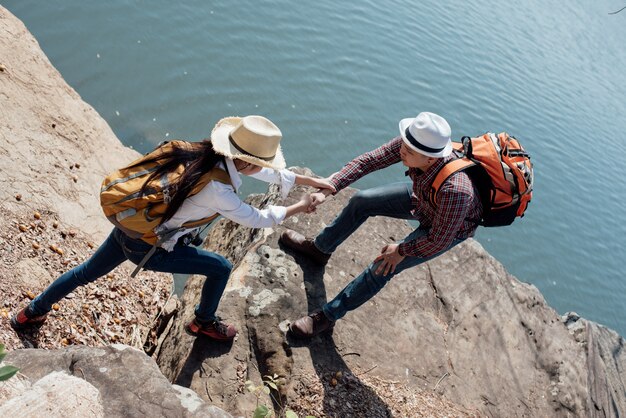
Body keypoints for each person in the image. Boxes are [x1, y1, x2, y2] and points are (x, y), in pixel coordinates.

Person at [11, 115, 334, 342]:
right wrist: (300, 206)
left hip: (133, 227)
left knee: (85, 273)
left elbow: (262, 173)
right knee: (220, 268)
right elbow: (258, 219)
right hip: (150, 247)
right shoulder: (219, 191)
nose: (261, 170)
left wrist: (310, 181)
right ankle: (203, 323)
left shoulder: (198, 151)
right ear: (247, 161)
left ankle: (30, 313)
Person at [280, 112, 483, 338]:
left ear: (430, 159)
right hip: (423, 199)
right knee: (362, 201)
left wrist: (401, 250)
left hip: (444, 226)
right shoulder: (414, 144)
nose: (402, 152)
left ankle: (328, 317)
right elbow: (368, 161)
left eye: (409, 152)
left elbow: (438, 240)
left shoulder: (456, 190)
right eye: (403, 145)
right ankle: (320, 249)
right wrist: (330, 187)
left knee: (384, 265)